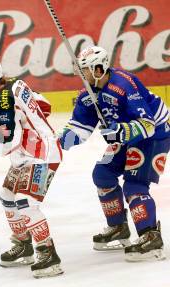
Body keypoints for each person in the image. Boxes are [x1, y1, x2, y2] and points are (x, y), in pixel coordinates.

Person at [59, 46, 169, 261]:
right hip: (125, 138)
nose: (81, 76)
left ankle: (150, 234)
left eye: (85, 71)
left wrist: (121, 131)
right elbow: (80, 128)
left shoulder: (124, 84)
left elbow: (147, 125)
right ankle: (118, 226)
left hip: (154, 135)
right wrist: (57, 141)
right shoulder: (87, 94)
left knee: (134, 184)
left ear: (98, 69)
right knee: (103, 175)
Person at [0, 55, 64, 278]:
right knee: (7, 195)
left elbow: (8, 143)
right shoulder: (17, 83)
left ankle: (48, 253)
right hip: (27, 153)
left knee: (25, 202)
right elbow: (45, 105)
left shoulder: (0, 99)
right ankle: (23, 244)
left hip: (41, 154)